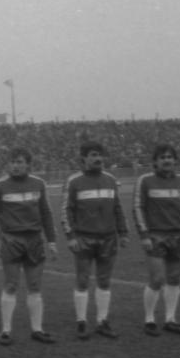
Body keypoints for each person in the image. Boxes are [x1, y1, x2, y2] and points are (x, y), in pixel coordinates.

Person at [0, 147, 58, 345]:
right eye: (12, 162)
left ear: (28, 164)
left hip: (35, 240)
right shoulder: (0, 186)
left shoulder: (38, 184)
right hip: (11, 240)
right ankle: (6, 330)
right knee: (10, 284)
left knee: (34, 285)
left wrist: (51, 241)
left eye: (19, 162)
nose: (15, 166)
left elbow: (46, 214)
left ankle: (37, 329)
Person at [61, 142, 129, 340]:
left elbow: (117, 208)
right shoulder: (74, 181)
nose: (98, 159)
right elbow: (66, 210)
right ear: (83, 159)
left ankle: (102, 321)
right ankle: (81, 322)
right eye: (93, 155)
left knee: (104, 280)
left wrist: (123, 232)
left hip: (108, 238)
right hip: (84, 238)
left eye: (100, 155)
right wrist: (70, 236)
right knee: (82, 280)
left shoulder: (110, 180)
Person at [133, 144, 180, 336]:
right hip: (155, 236)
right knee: (157, 278)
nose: (167, 160)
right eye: (162, 157)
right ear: (155, 162)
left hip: (179, 235)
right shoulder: (145, 181)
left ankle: (170, 319)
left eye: (170, 157)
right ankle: (149, 319)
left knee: (175, 278)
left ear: (175, 160)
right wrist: (144, 235)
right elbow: (138, 208)